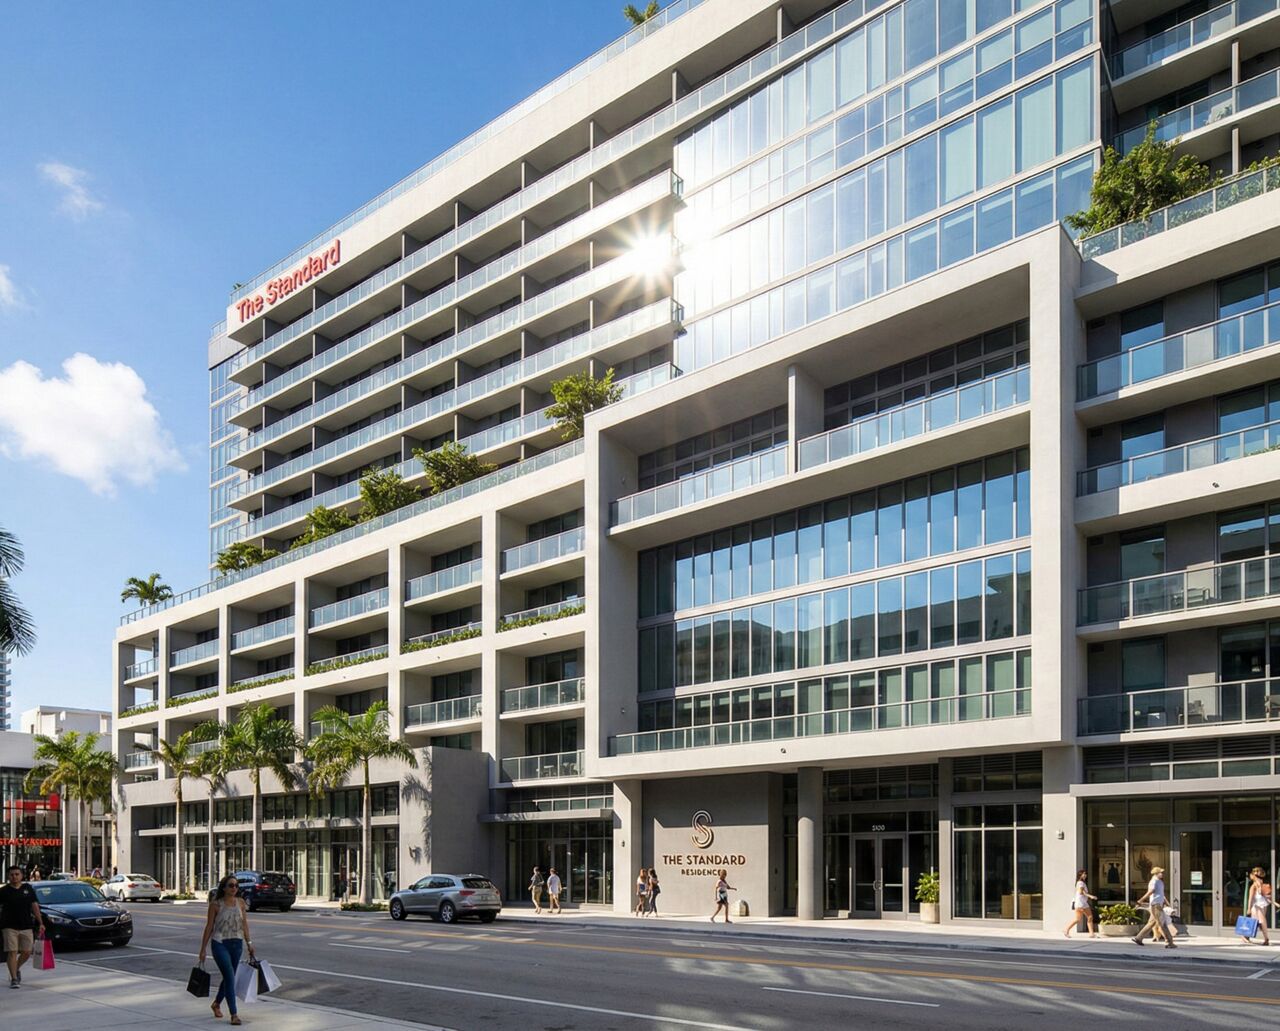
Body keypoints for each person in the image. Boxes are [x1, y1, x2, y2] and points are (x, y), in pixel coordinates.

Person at [198, 874, 255, 1025]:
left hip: (237, 944)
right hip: (220, 943)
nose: (234, 888)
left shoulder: (241, 903)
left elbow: (245, 925)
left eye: (236, 885)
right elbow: (209, 927)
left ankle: (216, 1003)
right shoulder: (216, 904)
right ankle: (234, 1014)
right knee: (230, 977)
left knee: (229, 977)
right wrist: (203, 949)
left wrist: (249, 943)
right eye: (231, 885)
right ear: (224, 887)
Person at [1, 866, 44, 989]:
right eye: (12, 875)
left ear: (21, 875)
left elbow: (34, 905)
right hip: (9, 926)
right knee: (12, 951)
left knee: (26, 952)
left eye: (17, 874)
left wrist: (40, 922)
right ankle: (14, 979)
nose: (14, 877)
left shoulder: (28, 889)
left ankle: (16, 968)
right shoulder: (4, 891)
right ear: (8, 876)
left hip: (26, 925)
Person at [1133, 865, 1175, 949]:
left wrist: (1165, 902)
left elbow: (1160, 894)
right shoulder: (1154, 881)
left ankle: (1138, 938)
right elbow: (1150, 892)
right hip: (1156, 905)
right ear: (1156, 873)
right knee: (1162, 923)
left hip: (1157, 904)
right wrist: (1141, 900)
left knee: (1151, 923)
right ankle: (1169, 942)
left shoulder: (1159, 881)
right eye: (1160, 872)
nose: (1162, 874)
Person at [1064, 868, 1099, 938]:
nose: (1085, 875)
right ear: (1080, 875)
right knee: (1090, 917)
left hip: (1079, 903)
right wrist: (1091, 896)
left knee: (1078, 919)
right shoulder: (1080, 883)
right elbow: (1081, 892)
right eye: (1084, 874)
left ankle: (1066, 930)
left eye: (1085, 874)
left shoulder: (1079, 882)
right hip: (1082, 903)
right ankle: (1091, 934)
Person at [1246, 866, 1272, 946]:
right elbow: (1250, 899)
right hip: (1256, 906)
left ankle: (1246, 936)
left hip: (1261, 905)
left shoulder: (1261, 886)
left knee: (1257, 923)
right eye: (1256, 876)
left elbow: (1267, 895)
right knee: (1261, 922)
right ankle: (1266, 939)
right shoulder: (1253, 886)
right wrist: (1249, 909)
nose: (1259, 878)